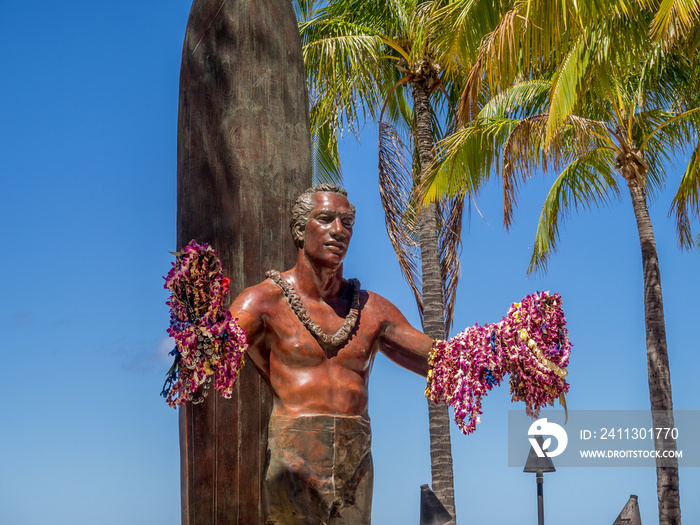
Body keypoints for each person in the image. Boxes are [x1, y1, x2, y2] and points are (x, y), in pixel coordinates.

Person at [229, 184, 434, 525]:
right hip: (294, 458)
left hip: (356, 459)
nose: (339, 231)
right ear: (299, 230)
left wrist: (505, 347)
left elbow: (440, 361)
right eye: (325, 219)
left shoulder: (372, 310)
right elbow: (213, 350)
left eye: (347, 222)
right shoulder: (264, 302)